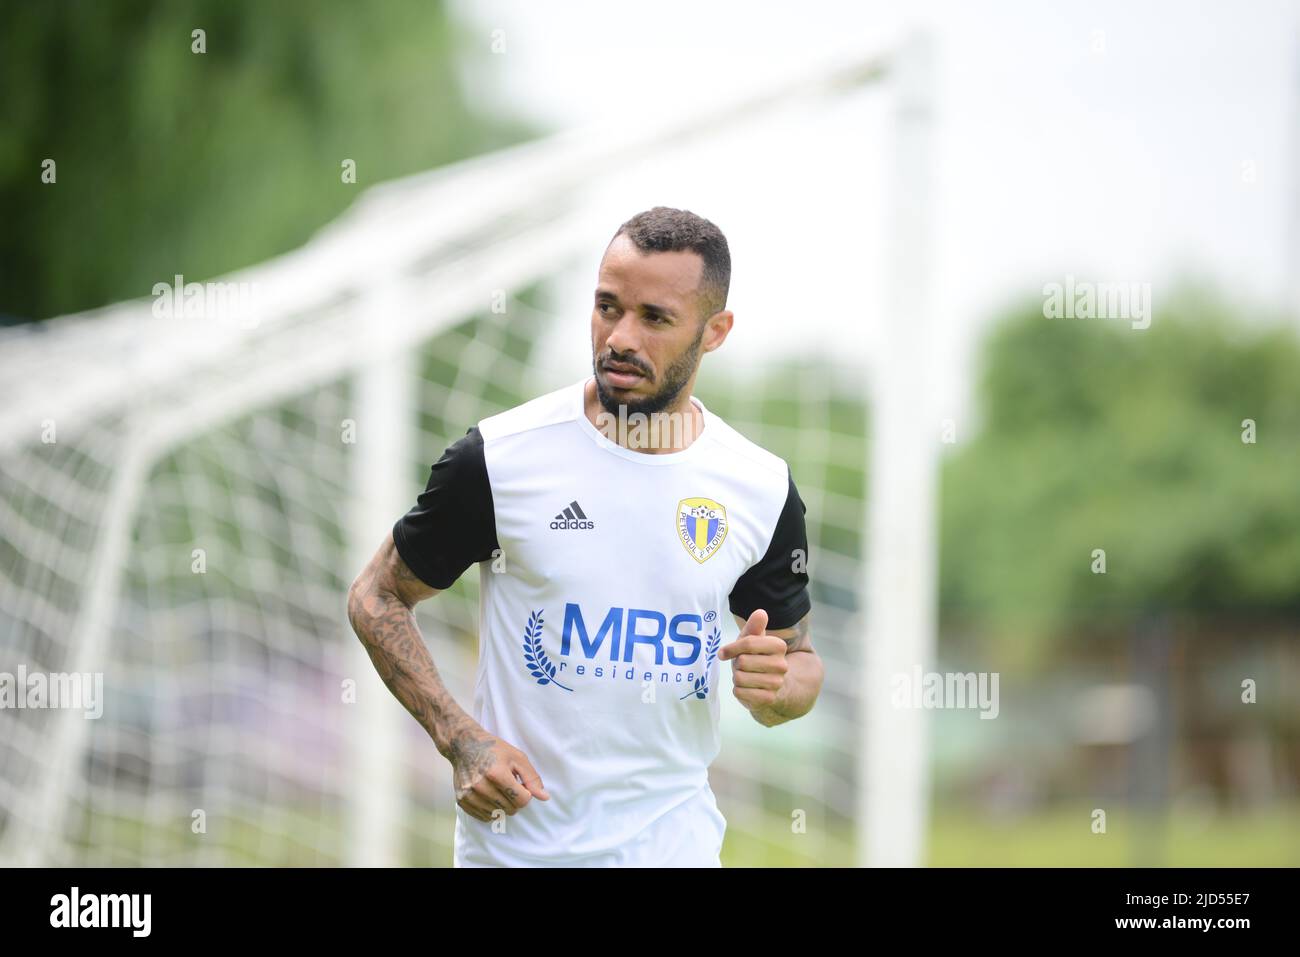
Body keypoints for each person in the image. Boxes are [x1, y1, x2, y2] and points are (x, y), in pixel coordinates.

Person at [347, 206, 822, 866]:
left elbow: (798, 662)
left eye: (654, 318)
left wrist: (780, 685)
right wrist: (460, 739)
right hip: (517, 854)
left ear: (715, 332)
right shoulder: (499, 459)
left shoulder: (760, 488)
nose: (620, 337)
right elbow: (376, 597)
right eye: (607, 306)